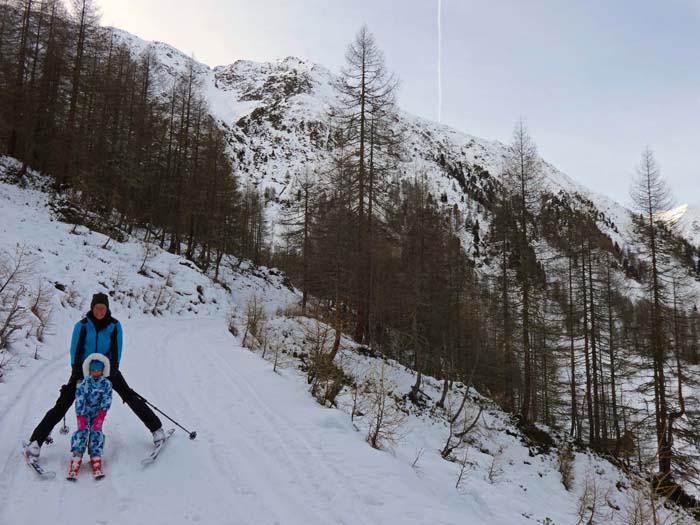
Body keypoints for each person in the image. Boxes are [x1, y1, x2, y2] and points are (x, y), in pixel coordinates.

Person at [24, 292, 165, 460]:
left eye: (103, 308)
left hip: (107, 369)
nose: (100, 311)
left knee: (129, 395)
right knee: (64, 402)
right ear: (92, 308)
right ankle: (36, 441)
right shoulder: (82, 326)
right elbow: (75, 351)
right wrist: (77, 374)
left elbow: (116, 351)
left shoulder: (114, 326)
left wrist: (111, 373)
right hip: (83, 371)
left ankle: (157, 429)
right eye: (97, 307)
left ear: (107, 308)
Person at [67, 353, 112, 479]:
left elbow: (107, 398)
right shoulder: (84, 383)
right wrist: (80, 415)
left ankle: (95, 456)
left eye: (98, 370)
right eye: (93, 370)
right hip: (84, 412)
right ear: (89, 371)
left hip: (98, 413)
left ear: (103, 370)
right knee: (82, 432)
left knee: (96, 432)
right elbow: (80, 398)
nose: (96, 373)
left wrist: (102, 414)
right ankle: (77, 456)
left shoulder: (106, 384)